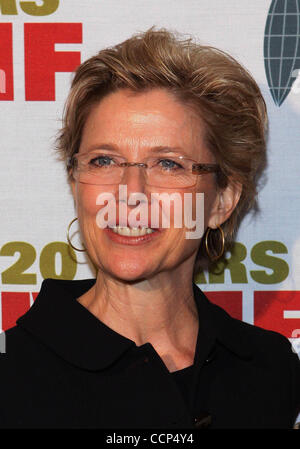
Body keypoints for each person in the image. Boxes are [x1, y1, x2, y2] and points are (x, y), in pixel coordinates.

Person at [0, 28, 299, 429]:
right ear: (75, 182)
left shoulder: (268, 369)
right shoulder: (12, 374)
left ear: (222, 201)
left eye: (169, 164)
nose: (130, 193)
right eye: (105, 161)